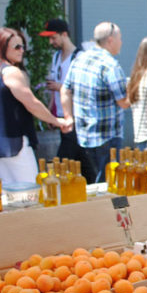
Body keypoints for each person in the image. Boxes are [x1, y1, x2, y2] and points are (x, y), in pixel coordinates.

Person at [0, 28, 72, 184]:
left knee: (9, 194)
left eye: (23, 46)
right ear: (3, 47)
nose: (22, 50)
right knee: (30, 190)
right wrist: (56, 121)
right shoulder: (11, 71)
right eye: (17, 47)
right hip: (15, 142)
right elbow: (31, 102)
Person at [61, 22, 130, 182]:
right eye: (120, 38)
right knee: (109, 185)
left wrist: (68, 117)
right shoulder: (110, 65)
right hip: (107, 137)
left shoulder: (79, 59)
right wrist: (134, 88)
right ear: (111, 40)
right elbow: (124, 102)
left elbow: (65, 89)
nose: (122, 42)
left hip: (83, 135)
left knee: (92, 185)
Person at [40, 18, 93, 182]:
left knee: (63, 160)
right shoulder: (56, 57)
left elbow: (86, 87)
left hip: (76, 116)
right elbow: (54, 86)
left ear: (64, 34)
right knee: (79, 159)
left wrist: (61, 86)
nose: (51, 41)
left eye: (53, 37)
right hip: (62, 115)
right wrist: (51, 111)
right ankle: (91, 183)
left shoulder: (80, 56)